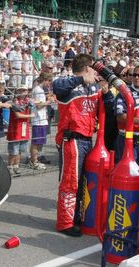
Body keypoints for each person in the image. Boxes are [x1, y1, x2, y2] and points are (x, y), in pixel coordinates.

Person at [53, 54, 113, 237]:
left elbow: (109, 109)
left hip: (88, 140)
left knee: (81, 184)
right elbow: (56, 87)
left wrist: (107, 92)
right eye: (94, 69)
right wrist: (80, 79)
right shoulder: (68, 84)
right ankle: (65, 223)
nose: (96, 73)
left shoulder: (94, 87)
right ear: (87, 69)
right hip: (72, 140)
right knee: (70, 182)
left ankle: (76, 218)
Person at [7, 85, 34, 175]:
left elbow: (34, 109)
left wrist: (32, 108)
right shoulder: (13, 102)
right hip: (15, 129)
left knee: (20, 150)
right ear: (16, 92)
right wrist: (30, 115)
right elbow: (18, 115)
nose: (22, 92)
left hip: (24, 128)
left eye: (24, 90)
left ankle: (16, 166)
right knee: (13, 150)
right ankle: (10, 166)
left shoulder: (28, 102)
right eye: (20, 90)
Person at [29, 72, 54, 170]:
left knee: (40, 142)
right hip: (38, 119)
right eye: (49, 81)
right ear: (44, 80)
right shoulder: (38, 90)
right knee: (36, 142)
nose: (49, 84)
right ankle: (33, 161)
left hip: (42, 119)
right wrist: (48, 102)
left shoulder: (40, 90)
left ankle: (36, 159)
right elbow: (39, 106)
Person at [114, 65, 139, 163]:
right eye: (135, 75)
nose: (137, 77)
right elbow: (120, 117)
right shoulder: (124, 92)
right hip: (127, 140)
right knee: (128, 174)